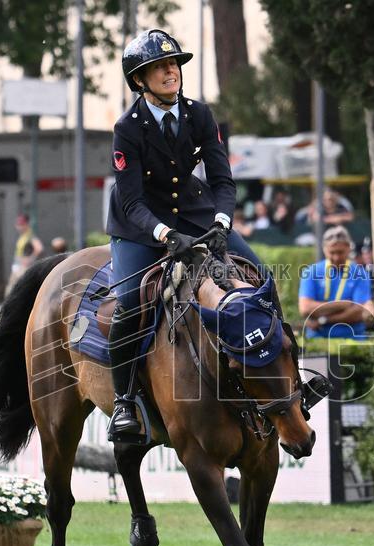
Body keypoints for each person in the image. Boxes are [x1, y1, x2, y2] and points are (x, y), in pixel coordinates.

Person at [105, 29, 265, 441]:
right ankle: (123, 401)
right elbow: (131, 200)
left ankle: (290, 377)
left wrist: (221, 223)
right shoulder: (127, 128)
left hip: (198, 216)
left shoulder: (199, 114)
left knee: (262, 278)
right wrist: (163, 233)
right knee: (128, 300)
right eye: (158, 67)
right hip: (139, 227)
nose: (170, 71)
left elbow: (223, 181)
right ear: (139, 80)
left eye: (173, 64)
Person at [298, 227, 374, 339]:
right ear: (324, 249)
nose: (336, 257)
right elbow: (306, 309)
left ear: (349, 248)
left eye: (340, 252)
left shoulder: (360, 273)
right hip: (318, 339)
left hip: (352, 339)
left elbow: (358, 312)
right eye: (332, 252)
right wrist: (344, 304)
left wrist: (323, 320)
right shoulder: (311, 272)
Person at [7, 214, 45, 294]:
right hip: (18, 267)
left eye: (21, 224)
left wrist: (30, 259)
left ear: (26, 224)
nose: (19, 227)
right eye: (18, 224)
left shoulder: (30, 236)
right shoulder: (23, 236)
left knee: (16, 290)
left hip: (23, 268)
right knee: (11, 290)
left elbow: (39, 248)